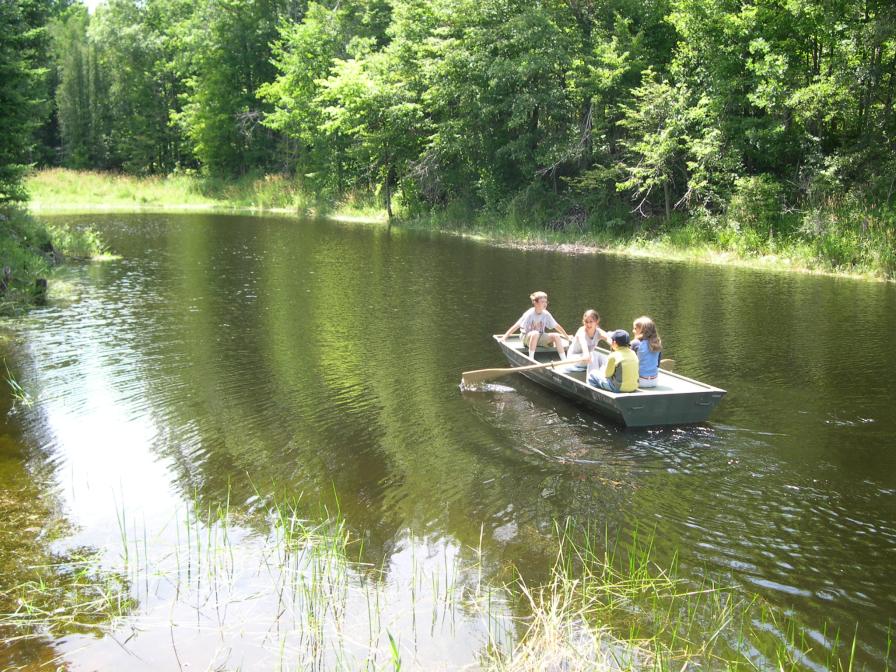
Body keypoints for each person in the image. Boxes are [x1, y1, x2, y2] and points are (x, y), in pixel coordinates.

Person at [500, 290, 570, 359]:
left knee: (556, 336)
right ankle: (531, 359)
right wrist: (504, 337)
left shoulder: (546, 314)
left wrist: (567, 337)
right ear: (535, 303)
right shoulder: (529, 313)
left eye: (546, 302)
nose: (545, 304)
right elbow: (516, 325)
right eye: (542, 302)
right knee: (535, 333)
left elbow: (557, 326)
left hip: (539, 336)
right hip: (526, 337)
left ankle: (564, 360)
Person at [630, 315, 662, 389]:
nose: (633, 331)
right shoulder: (657, 343)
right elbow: (658, 364)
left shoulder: (635, 343)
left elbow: (628, 362)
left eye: (635, 328)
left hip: (640, 381)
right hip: (654, 381)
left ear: (643, 330)